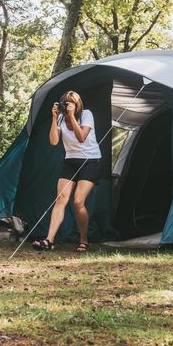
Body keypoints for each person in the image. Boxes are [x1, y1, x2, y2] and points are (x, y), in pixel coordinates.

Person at [32, 90, 102, 252]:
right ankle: (49, 240)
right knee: (61, 199)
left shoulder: (86, 114)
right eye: (66, 102)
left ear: (78, 105)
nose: (69, 105)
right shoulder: (62, 117)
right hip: (70, 161)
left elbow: (81, 137)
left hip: (90, 160)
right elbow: (54, 141)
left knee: (78, 202)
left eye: (72, 103)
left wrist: (71, 116)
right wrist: (55, 118)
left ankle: (84, 240)